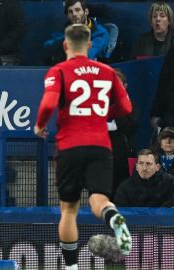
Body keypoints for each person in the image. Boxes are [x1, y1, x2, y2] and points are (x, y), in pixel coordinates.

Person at [34, 24, 132, 269]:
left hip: (70, 146)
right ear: (90, 46)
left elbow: (47, 104)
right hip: (100, 146)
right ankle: (114, 217)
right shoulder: (107, 71)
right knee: (99, 200)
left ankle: (71, 267)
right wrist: (101, 114)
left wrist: (39, 126)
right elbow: (126, 109)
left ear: (66, 45)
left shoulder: (59, 70)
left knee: (68, 209)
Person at [43, 0, 111, 66]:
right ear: (67, 16)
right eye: (70, 12)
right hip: (67, 69)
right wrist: (68, 36)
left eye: (77, 10)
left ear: (86, 11)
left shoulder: (100, 32)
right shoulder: (63, 31)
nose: (74, 14)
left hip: (90, 72)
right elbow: (47, 47)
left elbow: (89, 54)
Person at [108, 68, 138, 198]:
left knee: (121, 194)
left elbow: (130, 127)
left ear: (125, 86)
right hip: (102, 157)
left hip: (122, 157)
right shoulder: (98, 104)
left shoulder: (131, 105)